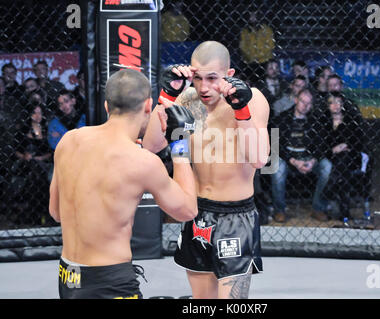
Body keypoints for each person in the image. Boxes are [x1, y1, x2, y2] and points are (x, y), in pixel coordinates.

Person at [49, 69, 198, 299]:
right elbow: (187, 211)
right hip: (110, 282)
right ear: (148, 106)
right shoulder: (143, 162)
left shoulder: (69, 141)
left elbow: (56, 212)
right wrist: (180, 145)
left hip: (68, 277)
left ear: (107, 107)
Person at [143, 41, 270, 299]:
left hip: (236, 218)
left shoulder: (253, 98)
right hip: (197, 212)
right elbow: (151, 146)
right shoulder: (187, 99)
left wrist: (241, 110)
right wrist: (166, 97)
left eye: (212, 78)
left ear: (229, 75)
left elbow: (259, 160)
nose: (203, 87)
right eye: (197, 78)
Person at [270, 88, 333, 223]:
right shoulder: (281, 118)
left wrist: (313, 160)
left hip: (308, 157)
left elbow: (322, 145)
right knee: (276, 168)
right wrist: (293, 160)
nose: (305, 106)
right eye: (303, 102)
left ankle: (318, 208)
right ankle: (279, 210)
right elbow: (275, 145)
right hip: (287, 158)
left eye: (309, 103)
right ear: (296, 100)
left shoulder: (316, 120)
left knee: (327, 167)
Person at [308, 92, 367, 220]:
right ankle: (344, 210)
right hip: (329, 157)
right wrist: (333, 150)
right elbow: (319, 145)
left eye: (338, 102)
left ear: (343, 104)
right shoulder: (322, 120)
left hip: (349, 157)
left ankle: (331, 187)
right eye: (332, 102)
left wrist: (343, 147)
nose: (335, 105)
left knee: (343, 160)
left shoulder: (351, 120)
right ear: (327, 105)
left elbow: (358, 142)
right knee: (341, 169)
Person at [13, 102, 52, 225]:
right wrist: (24, 156)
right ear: (29, 114)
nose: (38, 115)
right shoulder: (23, 129)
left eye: (40, 112)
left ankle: (36, 212)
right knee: (34, 172)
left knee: (36, 172)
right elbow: (15, 151)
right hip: (26, 164)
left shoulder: (47, 128)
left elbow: (51, 151)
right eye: (35, 112)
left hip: (43, 163)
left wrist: (41, 158)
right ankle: (39, 211)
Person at [239, 8, 275, 85]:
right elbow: (243, 46)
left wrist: (259, 57)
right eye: (251, 15)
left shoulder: (267, 29)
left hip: (264, 61)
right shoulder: (245, 31)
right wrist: (251, 57)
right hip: (250, 61)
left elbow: (270, 45)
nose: (253, 18)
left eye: (254, 15)